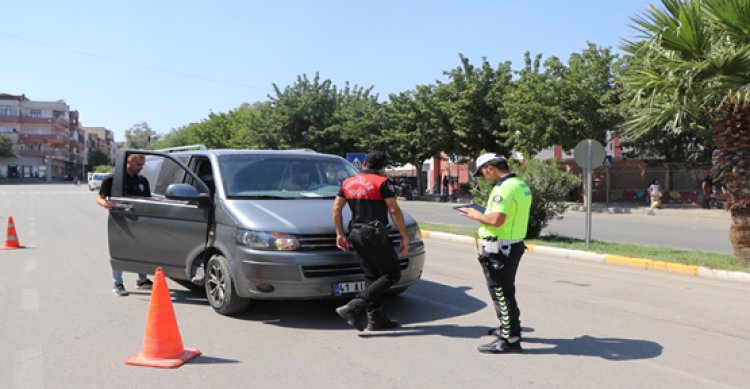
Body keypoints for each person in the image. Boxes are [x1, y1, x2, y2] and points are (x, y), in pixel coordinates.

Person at [458, 153, 532, 354]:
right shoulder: (519, 184)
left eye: (483, 173)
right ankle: (508, 329)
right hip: (512, 244)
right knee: (506, 291)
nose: (484, 178)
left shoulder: (503, 188)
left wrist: (475, 214)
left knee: (501, 293)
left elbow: (496, 220)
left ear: (490, 168)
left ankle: (510, 340)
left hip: (500, 248)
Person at [332, 151, 409, 331]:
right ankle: (354, 306)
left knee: (371, 276)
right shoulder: (383, 183)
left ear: (364, 163)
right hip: (374, 234)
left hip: (355, 233)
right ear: (383, 167)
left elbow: (336, 209)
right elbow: (394, 210)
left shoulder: (347, 182)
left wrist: (339, 234)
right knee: (392, 274)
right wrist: (404, 236)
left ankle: (376, 319)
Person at [96, 154, 153, 296]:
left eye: (142, 164)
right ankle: (118, 284)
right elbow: (100, 198)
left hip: (138, 221)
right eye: (139, 164)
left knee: (141, 249)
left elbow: (147, 200)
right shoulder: (112, 179)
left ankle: (142, 280)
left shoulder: (142, 180)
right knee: (119, 251)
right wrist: (106, 204)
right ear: (129, 162)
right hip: (119, 220)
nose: (141, 167)